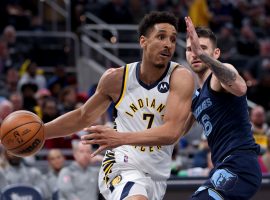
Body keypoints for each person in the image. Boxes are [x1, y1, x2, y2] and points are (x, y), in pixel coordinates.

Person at [44, 11, 194, 200]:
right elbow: (82, 116)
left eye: (172, 39)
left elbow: (171, 133)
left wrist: (120, 137)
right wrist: (41, 133)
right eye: (161, 36)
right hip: (121, 165)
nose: (168, 44)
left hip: (157, 175)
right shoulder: (117, 79)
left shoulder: (180, 78)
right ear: (143, 41)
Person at [183, 16, 262, 199]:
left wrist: (203, 56)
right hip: (224, 167)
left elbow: (241, 87)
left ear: (216, 53)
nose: (194, 53)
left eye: (202, 48)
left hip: (240, 164)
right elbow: (175, 134)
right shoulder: (195, 97)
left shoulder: (218, 77)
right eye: (190, 49)